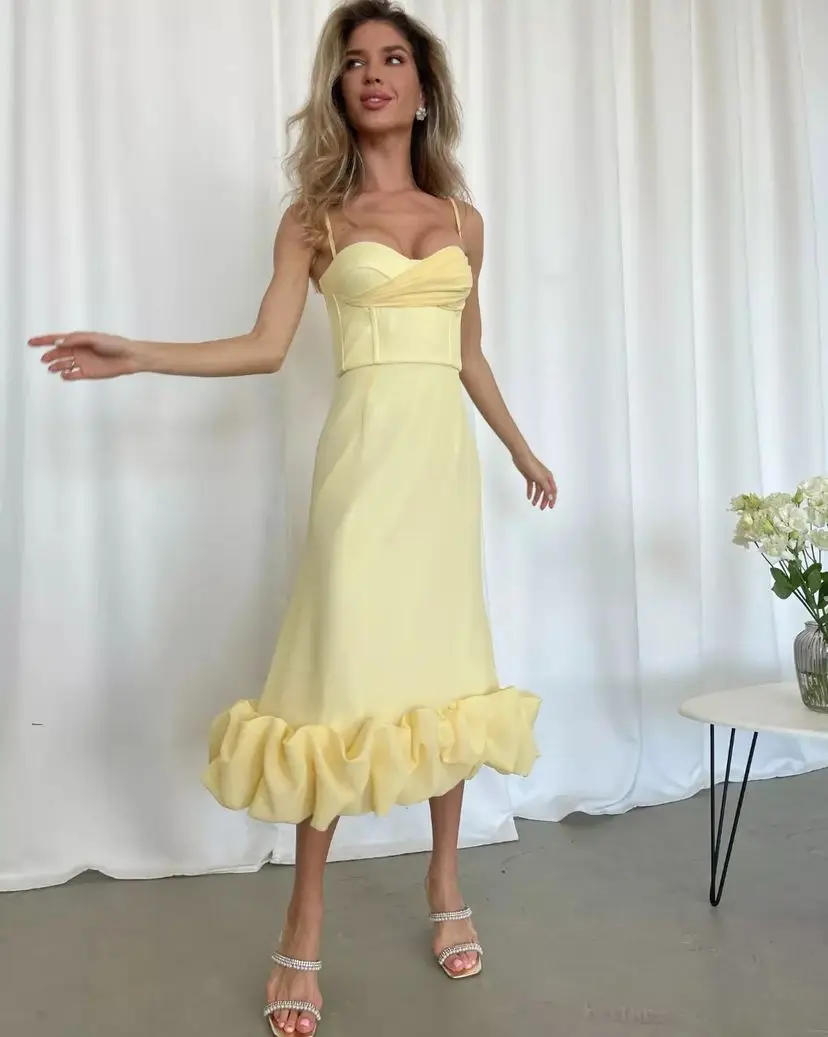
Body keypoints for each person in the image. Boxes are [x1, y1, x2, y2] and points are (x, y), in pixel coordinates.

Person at [29, 1, 557, 1033]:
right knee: (334, 679)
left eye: (394, 58)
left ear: (423, 88)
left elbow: (468, 353)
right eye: (355, 61)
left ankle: (446, 880)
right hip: (362, 471)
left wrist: (520, 447)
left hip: (441, 474)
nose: (374, 73)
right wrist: (138, 352)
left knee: (449, 668)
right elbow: (266, 346)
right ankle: (303, 916)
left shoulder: (463, 221)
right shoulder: (315, 218)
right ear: (338, 88)